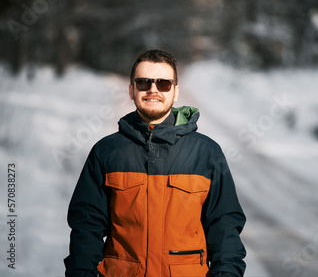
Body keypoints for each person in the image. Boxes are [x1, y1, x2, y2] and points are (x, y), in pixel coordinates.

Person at [64, 50, 246, 277]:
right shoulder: (106, 152)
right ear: (131, 90)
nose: (153, 89)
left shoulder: (207, 153)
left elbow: (225, 228)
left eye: (163, 83)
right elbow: (86, 226)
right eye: (143, 82)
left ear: (176, 91)